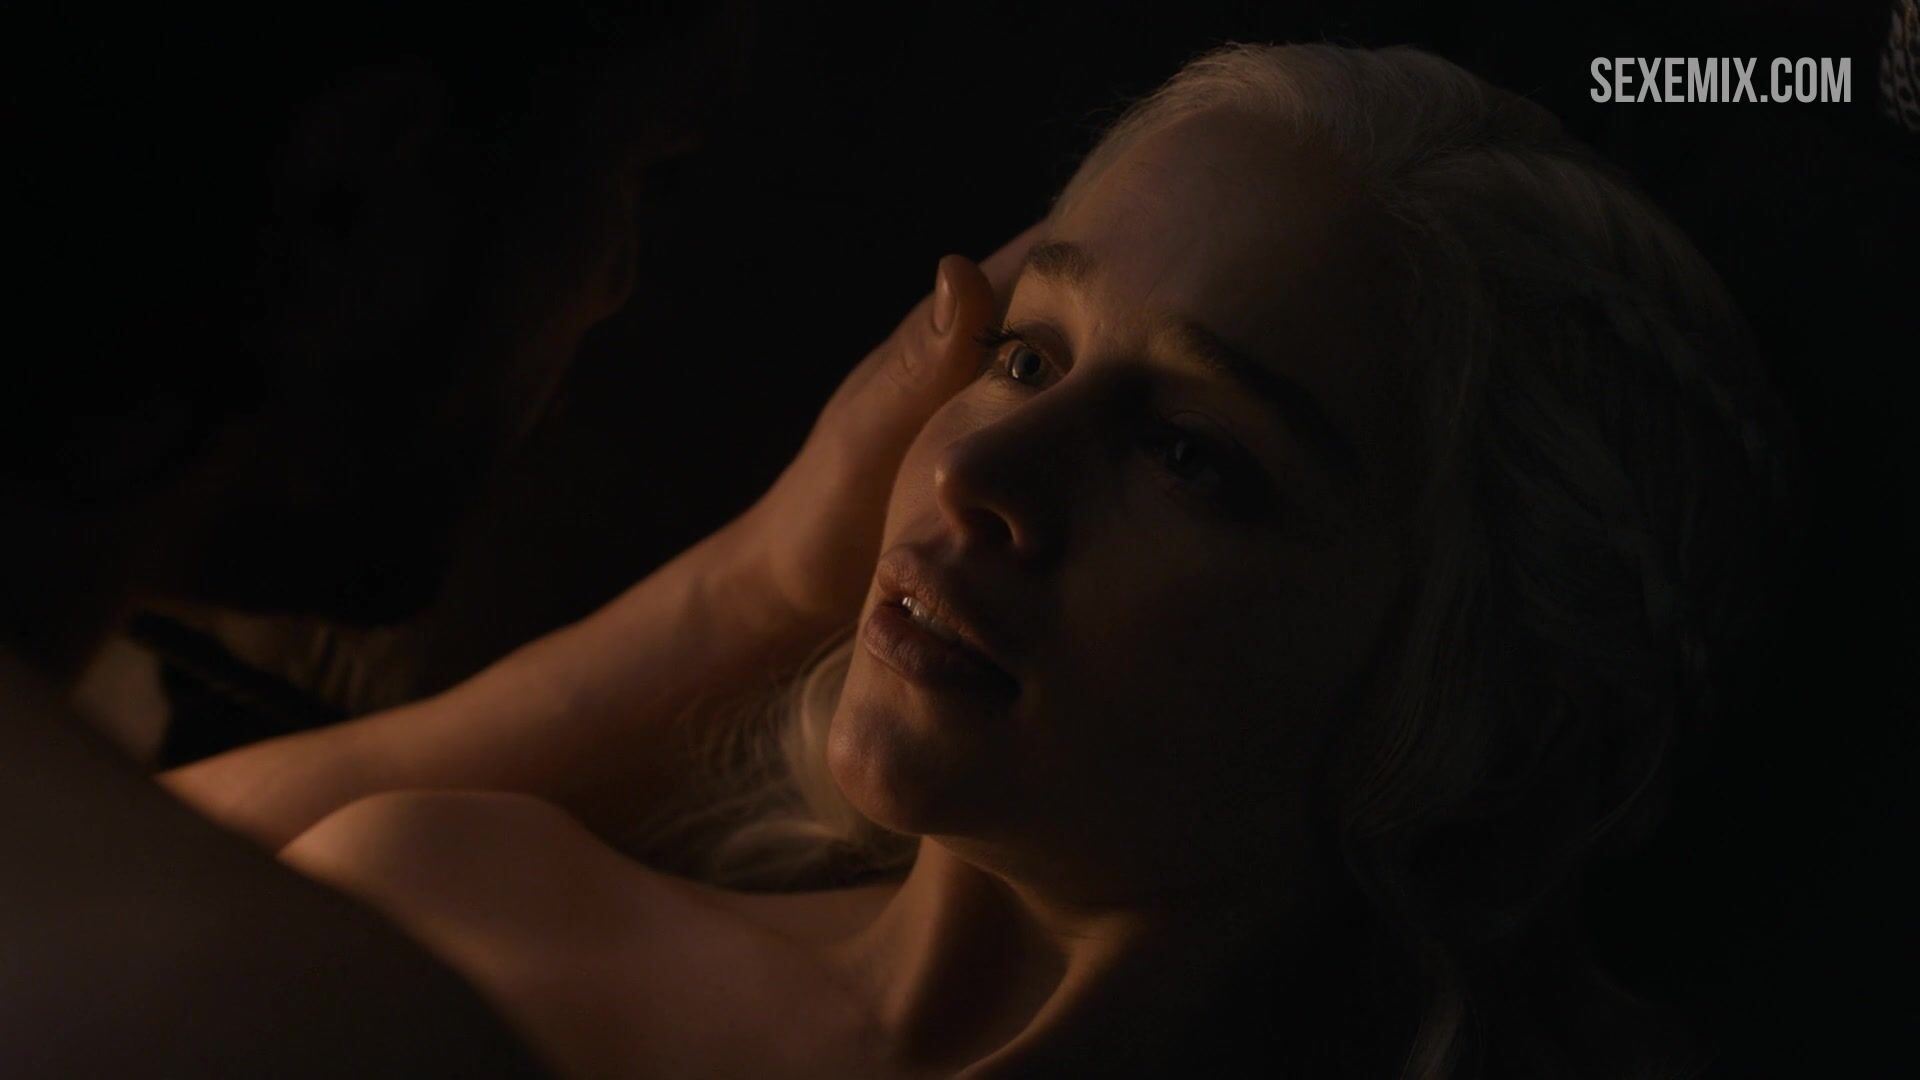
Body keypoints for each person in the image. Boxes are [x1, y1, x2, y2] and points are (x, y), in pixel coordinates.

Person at [165, 42, 1802, 1078]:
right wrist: (764, 582)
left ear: (1470, 691)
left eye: (1189, 453)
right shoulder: (466, 904)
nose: (975, 469)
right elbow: (100, 904)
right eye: (1024, 356)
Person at [0, 6, 1041, 1074]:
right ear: (358, 189)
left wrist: (765, 586)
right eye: (634, 173)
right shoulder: (306, 1016)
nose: (615, 285)